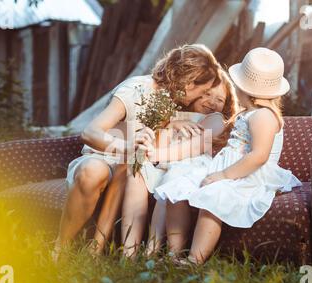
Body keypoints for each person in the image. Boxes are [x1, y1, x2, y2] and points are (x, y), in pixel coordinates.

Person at [53, 44, 221, 260]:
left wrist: (173, 124)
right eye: (203, 90)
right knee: (94, 171)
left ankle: (96, 250)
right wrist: (126, 147)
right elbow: (90, 132)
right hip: (102, 155)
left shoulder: (173, 100)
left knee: (131, 166)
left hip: (130, 166)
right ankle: (59, 248)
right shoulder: (135, 89)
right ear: (189, 84)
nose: (203, 96)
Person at [154, 47, 303, 265]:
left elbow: (258, 156)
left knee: (215, 195)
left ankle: (195, 260)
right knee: (177, 189)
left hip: (247, 175)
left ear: (244, 88)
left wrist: (223, 175)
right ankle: (173, 255)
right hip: (225, 169)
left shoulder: (264, 116)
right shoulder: (249, 113)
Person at [144, 69, 236, 256]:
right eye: (207, 94)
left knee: (169, 185)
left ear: (225, 105)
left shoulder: (215, 120)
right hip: (166, 162)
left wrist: (158, 154)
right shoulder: (175, 116)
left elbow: (196, 147)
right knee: (158, 183)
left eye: (219, 100)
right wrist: (171, 125)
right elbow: (159, 140)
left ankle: (164, 251)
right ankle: (150, 248)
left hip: (193, 165)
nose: (212, 102)